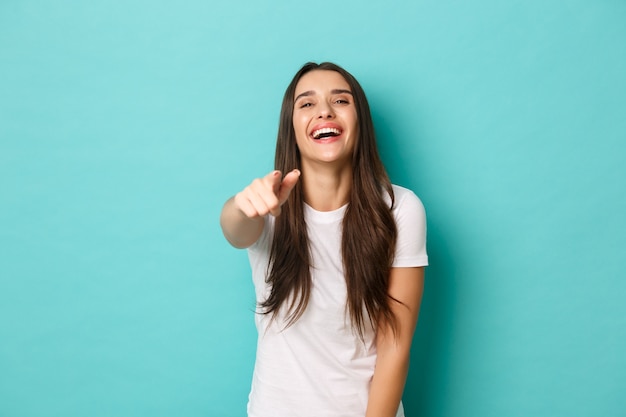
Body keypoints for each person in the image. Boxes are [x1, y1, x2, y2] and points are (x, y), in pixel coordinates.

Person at [220, 62, 428, 417]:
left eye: (341, 101)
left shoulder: (400, 209)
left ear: (360, 121)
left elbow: (395, 344)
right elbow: (236, 230)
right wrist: (243, 206)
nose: (325, 111)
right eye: (307, 104)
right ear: (292, 129)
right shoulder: (268, 206)